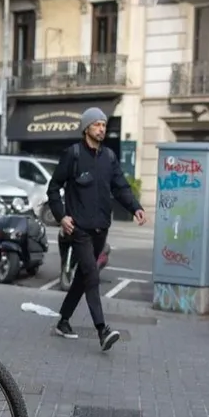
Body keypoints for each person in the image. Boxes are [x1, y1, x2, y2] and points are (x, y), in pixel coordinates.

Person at [47, 107, 147, 351]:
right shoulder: (73, 154)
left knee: (83, 277)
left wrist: (135, 207)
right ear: (86, 128)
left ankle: (63, 321)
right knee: (92, 274)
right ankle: (103, 330)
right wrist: (61, 216)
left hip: (101, 227)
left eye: (104, 125)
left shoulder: (109, 157)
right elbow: (53, 188)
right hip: (79, 228)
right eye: (97, 125)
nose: (102, 129)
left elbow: (120, 187)